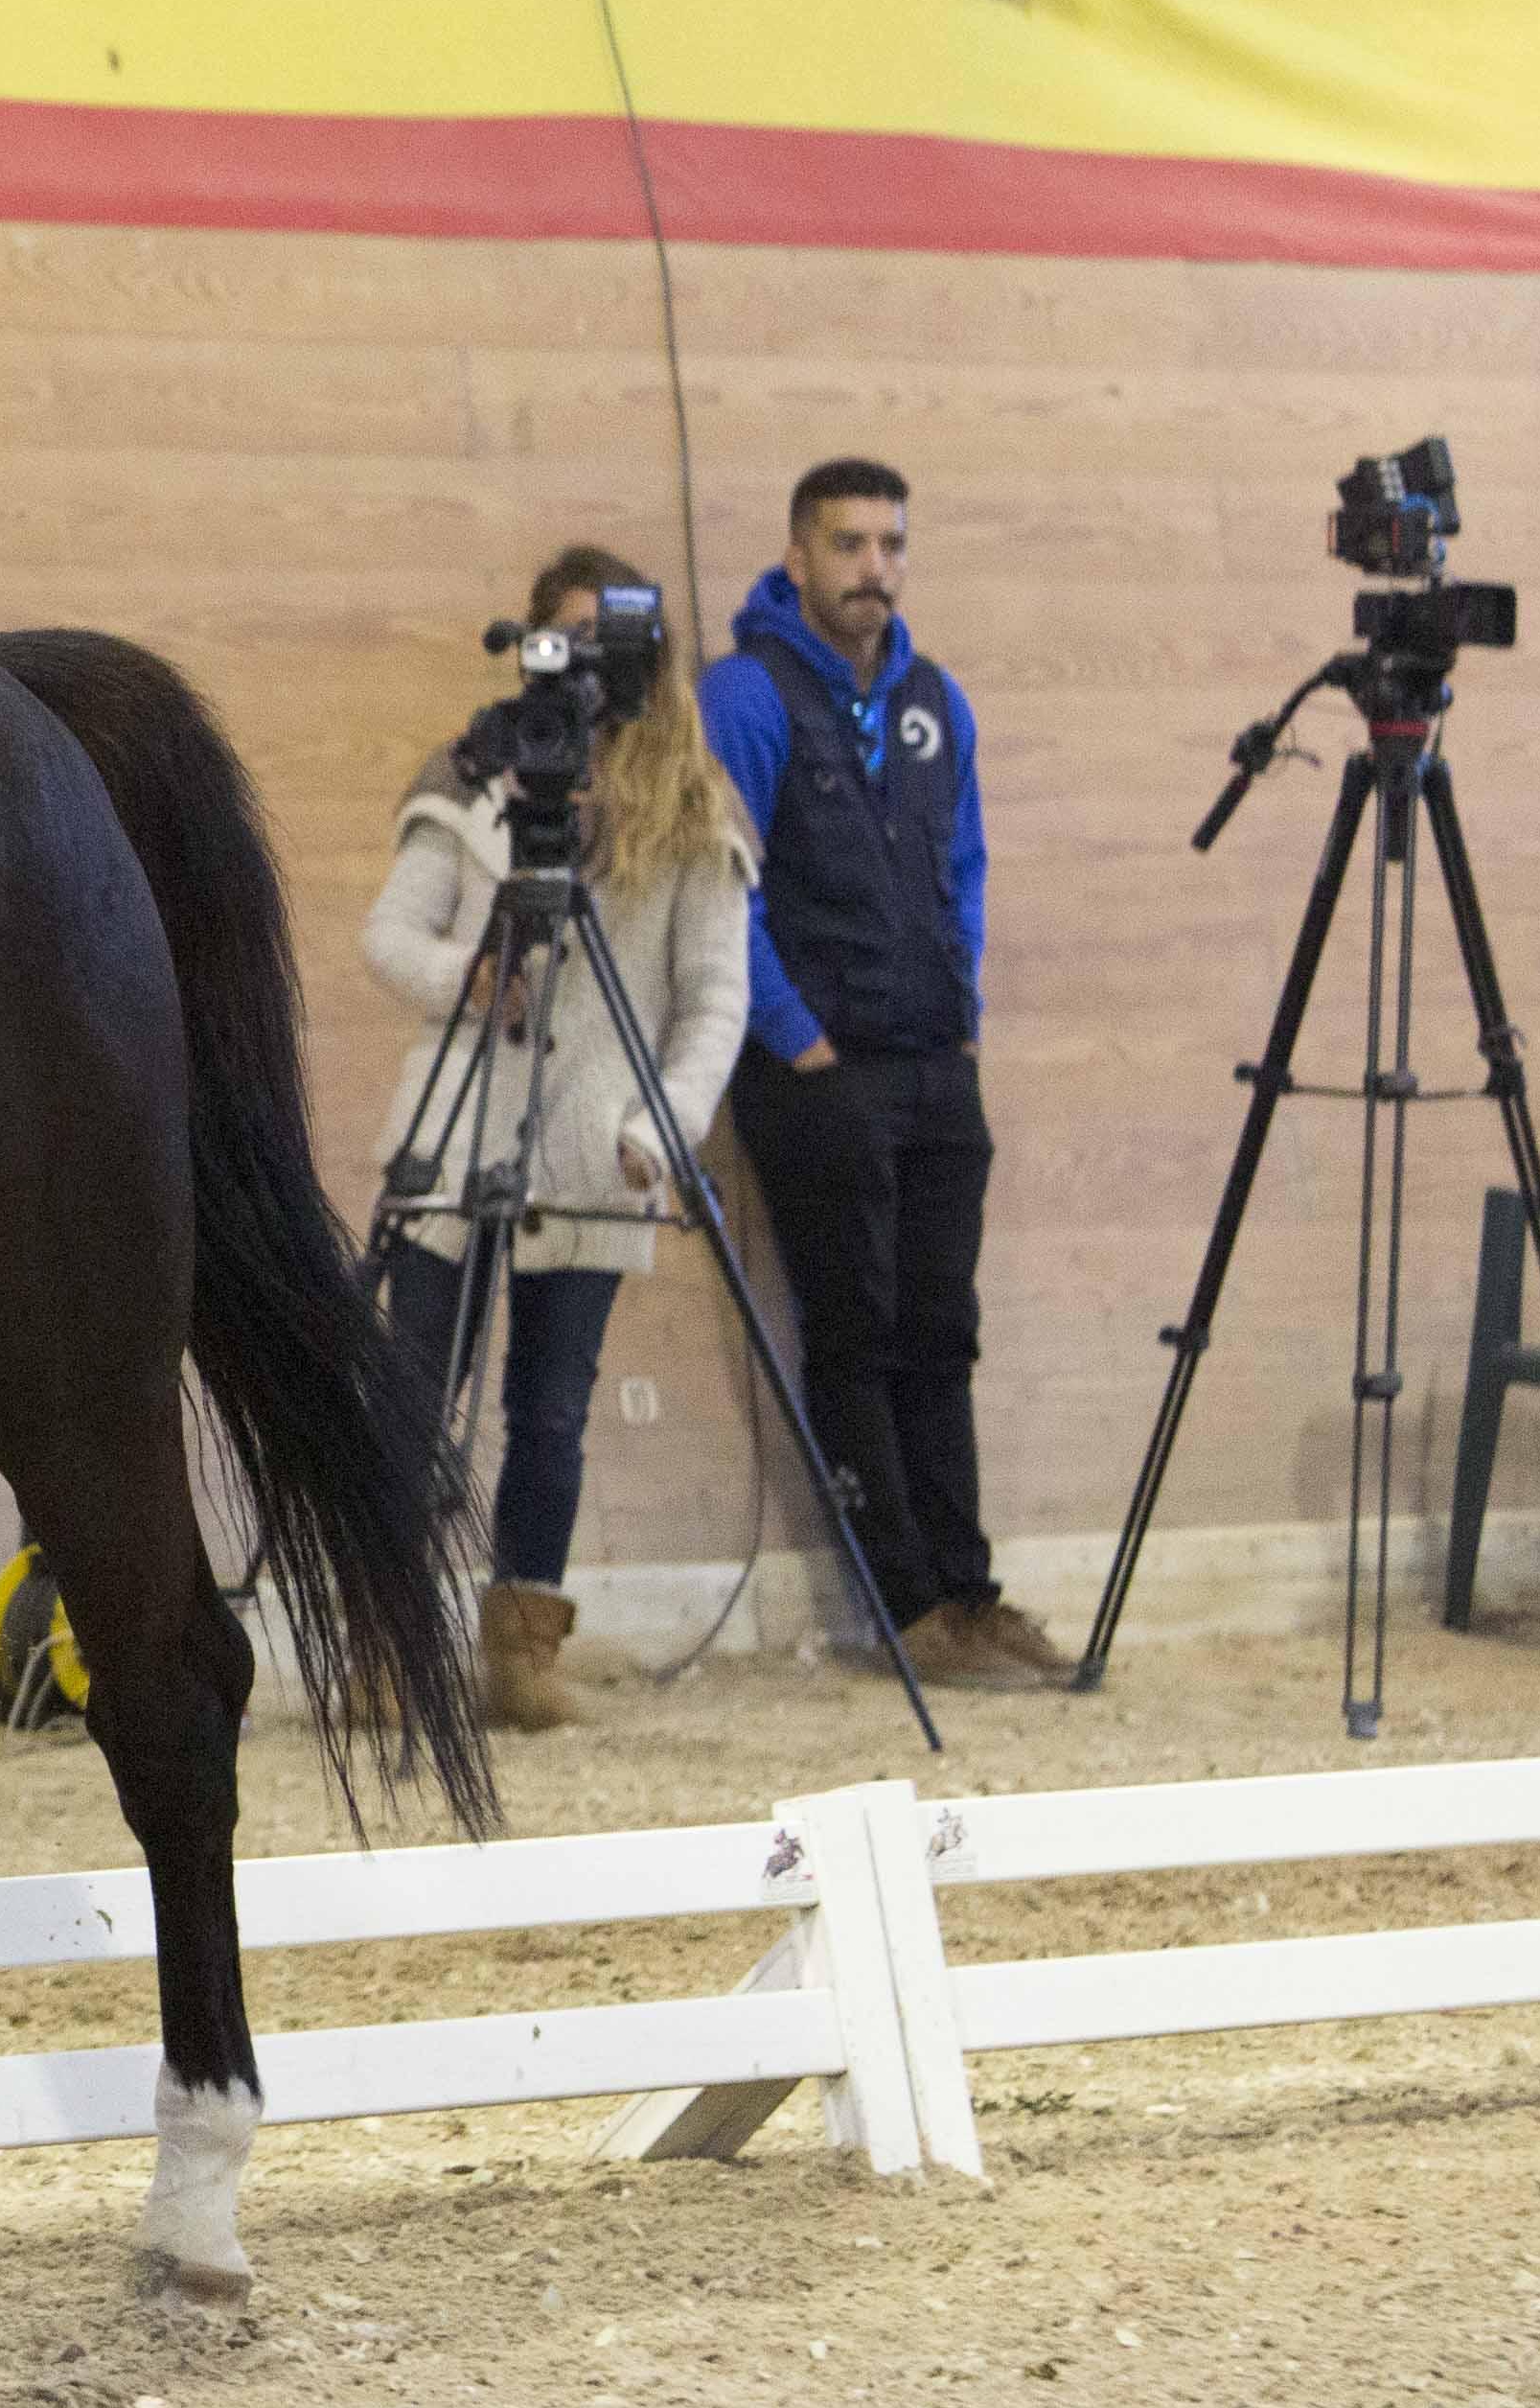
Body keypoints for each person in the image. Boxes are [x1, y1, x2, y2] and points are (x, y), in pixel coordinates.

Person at [362, 544, 754, 1731]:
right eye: (566, 639)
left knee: (554, 1409)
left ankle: (519, 1654)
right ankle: (388, 1645)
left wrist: (663, 1126)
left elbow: (713, 1003)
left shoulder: (693, 808)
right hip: (457, 1138)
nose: (587, 667)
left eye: (611, 642)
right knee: (409, 1396)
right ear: (531, 644)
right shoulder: (477, 775)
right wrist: (471, 983)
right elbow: (389, 936)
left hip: (596, 1152)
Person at [701, 460, 1067, 1692]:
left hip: (931, 1065)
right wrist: (794, 1030)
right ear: (798, 555)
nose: (874, 569)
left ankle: (970, 1590)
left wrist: (963, 1006)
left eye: (892, 545)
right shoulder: (745, 694)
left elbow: (964, 860)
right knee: (854, 1334)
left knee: (940, 1332)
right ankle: (906, 1609)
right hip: (816, 1072)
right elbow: (720, 885)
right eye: (849, 544)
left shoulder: (932, 698)